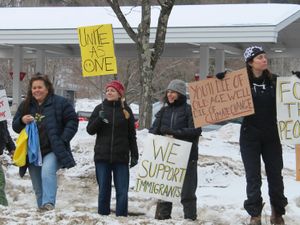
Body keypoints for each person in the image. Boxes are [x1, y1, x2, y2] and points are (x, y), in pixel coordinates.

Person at [216, 46, 290, 225]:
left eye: (265, 57)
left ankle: (277, 213)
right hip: (250, 135)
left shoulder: (274, 81)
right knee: (253, 176)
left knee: (275, 175)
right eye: (259, 58)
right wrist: (220, 81)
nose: (264, 60)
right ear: (250, 62)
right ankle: (255, 214)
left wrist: (296, 80)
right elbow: (219, 95)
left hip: (271, 134)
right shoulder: (240, 83)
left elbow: (292, 93)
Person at [12, 74, 78, 211]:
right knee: (37, 184)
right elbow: (15, 126)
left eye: (40, 87)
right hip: (33, 151)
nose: (37, 90)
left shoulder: (60, 103)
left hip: (53, 149)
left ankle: (49, 204)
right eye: (34, 88)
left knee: (47, 171)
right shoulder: (26, 105)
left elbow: (72, 121)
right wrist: (22, 120)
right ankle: (43, 211)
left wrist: (63, 139)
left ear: (47, 88)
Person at [149, 79, 202, 221]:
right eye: (168, 92)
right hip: (167, 155)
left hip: (187, 155)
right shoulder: (163, 111)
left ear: (180, 94)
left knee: (188, 191)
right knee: (165, 189)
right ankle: (162, 218)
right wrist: (159, 134)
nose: (170, 95)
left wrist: (175, 133)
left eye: (173, 92)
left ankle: (190, 219)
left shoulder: (189, 110)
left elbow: (196, 131)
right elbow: (153, 130)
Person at [86, 80, 139, 217]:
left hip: (121, 157)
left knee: (122, 190)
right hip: (102, 157)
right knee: (104, 188)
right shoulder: (100, 108)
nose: (109, 92)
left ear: (119, 94)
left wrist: (134, 154)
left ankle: (121, 217)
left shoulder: (126, 111)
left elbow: (131, 135)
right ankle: (103, 216)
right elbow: (90, 130)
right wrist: (99, 119)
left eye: (112, 90)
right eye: (107, 90)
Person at [0, 120, 15, 206]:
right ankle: (2, 206)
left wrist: (12, 148)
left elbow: (5, 133)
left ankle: (3, 206)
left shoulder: (2, 115)